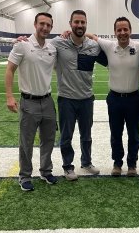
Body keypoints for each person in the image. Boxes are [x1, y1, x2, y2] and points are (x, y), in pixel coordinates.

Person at [50, 10, 107, 181]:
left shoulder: (93, 46)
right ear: (70, 23)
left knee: (86, 134)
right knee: (66, 135)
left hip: (86, 99)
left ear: (86, 24)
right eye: (76, 22)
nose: (79, 25)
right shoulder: (58, 43)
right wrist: (20, 40)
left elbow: (111, 56)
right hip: (66, 99)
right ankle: (68, 167)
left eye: (83, 22)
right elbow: (38, 46)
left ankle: (86, 162)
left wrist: (92, 35)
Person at [87, 17, 139, 177]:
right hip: (114, 99)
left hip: (134, 99)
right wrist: (66, 33)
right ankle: (117, 163)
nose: (122, 33)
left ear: (130, 30)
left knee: (134, 133)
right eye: (119, 30)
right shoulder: (109, 46)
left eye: (125, 29)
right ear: (115, 32)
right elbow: (90, 36)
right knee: (116, 133)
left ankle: (132, 164)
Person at [5, 12, 58, 192]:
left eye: (48, 25)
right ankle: (25, 175)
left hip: (48, 101)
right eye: (42, 24)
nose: (45, 27)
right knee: (26, 142)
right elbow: (10, 69)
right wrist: (10, 96)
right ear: (35, 24)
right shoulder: (22, 45)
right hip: (28, 102)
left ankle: (45, 170)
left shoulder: (52, 47)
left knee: (48, 139)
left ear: (51, 27)